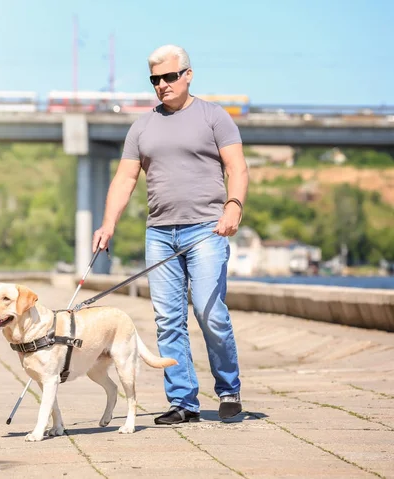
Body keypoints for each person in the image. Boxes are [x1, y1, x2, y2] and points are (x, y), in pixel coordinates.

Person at [92, 44, 249, 424]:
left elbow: (238, 168)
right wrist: (108, 222)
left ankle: (228, 389)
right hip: (160, 234)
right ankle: (183, 402)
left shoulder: (215, 117)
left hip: (207, 231)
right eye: (155, 79)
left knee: (210, 313)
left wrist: (234, 206)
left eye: (169, 76)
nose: (162, 85)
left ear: (188, 75)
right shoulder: (142, 126)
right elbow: (125, 178)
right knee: (168, 320)